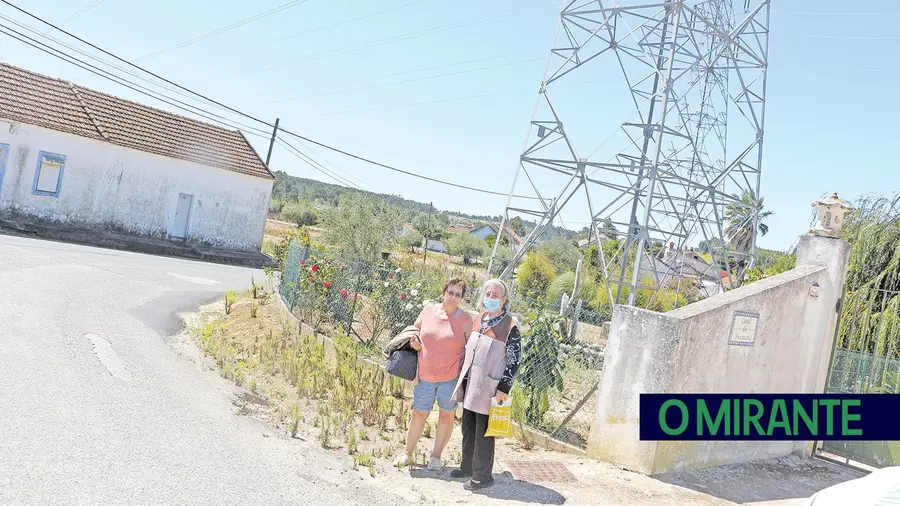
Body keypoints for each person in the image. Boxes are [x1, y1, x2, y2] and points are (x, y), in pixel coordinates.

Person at [449, 278, 521, 490]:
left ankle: (482, 476)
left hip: (490, 388)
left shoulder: (510, 325)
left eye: (495, 296)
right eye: (488, 294)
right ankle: (467, 467)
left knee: (483, 432)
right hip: (472, 384)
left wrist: (504, 388)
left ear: (504, 300)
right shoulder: (479, 318)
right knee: (468, 427)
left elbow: (514, 359)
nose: (490, 298)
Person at [394, 278, 473, 470]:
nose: (453, 297)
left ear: (461, 298)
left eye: (458, 294)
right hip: (425, 375)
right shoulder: (428, 311)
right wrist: (415, 343)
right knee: (419, 413)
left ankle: (435, 457)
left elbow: (471, 347)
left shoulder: (465, 320)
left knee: (446, 415)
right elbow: (416, 332)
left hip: (450, 378)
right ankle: (407, 453)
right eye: (450, 292)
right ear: (443, 292)